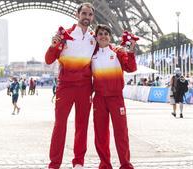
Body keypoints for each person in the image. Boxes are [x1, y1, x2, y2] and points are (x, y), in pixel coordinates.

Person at [44, 2, 96, 169]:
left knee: (82, 125)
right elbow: (48, 60)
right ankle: (54, 163)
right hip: (65, 87)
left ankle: (78, 162)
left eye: (89, 14)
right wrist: (53, 46)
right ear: (77, 14)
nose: (86, 17)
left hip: (85, 87)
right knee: (60, 124)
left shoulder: (94, 37)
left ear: (92, 17)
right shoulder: (64, 35)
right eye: (84, 14)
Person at [91, 24, 136, 169]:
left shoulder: (117, 51)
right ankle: (105, 164)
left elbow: (131, 68)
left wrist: (130, 50)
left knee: (121, 132)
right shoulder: (91, 53)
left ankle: (125, 164)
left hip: (116, 98)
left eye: (106, 34)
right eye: (100, 34)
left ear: (110, 37)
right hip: (99, 98)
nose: (103, 36)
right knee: (100, 134)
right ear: (96, 37)